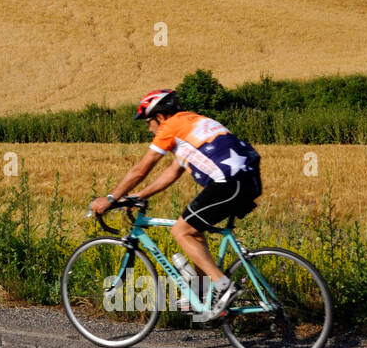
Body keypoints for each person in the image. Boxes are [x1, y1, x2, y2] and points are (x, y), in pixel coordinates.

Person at [89, 88, 262, 320]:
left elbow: (142, 168)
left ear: (159, 117)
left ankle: (224, 285)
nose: (148, 127)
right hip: (247, 180)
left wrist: (111, 198)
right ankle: (203, 296)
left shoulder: (170, 127)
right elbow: (173, 172)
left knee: (181, 231)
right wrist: (140, 195)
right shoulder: (193, 123)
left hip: (228, 182)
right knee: (194, 232)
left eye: (148, 121)